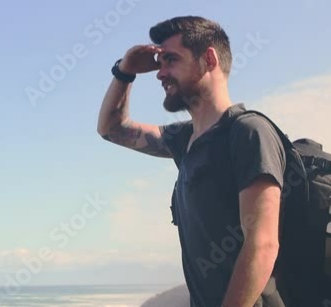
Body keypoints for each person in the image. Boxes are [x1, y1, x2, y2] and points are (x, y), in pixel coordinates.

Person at [97, 16, 287, 307]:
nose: (160, 74)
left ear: (209, 59)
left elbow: (262, 245)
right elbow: (111, 129)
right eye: (160, 63)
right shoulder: (185, 139)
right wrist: (125, 71)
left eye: (171, 60)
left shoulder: (248, 132)